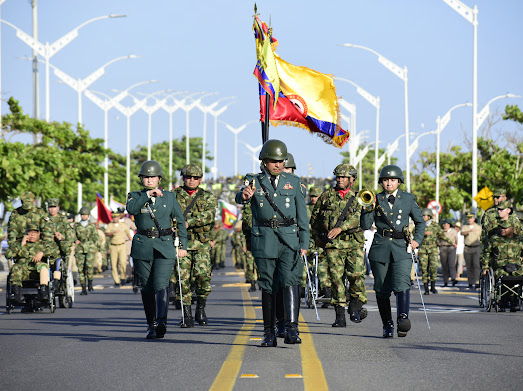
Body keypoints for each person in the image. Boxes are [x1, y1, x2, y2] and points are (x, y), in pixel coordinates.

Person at [236, 139, 309, 347]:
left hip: (289, 239)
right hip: (265, 238)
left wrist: (304, 242)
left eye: (281, 161)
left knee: (290, 280)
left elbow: (302, 216)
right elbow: (239, 197)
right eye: (273, 161)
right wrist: (244, 195)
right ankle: (268, 332)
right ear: (264, 161)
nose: (278, 164)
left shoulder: (293, 182)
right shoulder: (254, 181)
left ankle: (292, 328)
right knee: (268, 286)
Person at [361, 165, 425, 338]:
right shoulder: (375, 198)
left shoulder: (408, 198)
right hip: (380, 247)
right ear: (381, 182)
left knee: (402, 283)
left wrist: (416, 240)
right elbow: (366, 225)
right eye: (386, 180)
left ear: (399, 182)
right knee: (381, 288)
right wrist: (368, 207)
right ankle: (387, 324)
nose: (389, 183)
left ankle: (402, 319)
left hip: (401, 247)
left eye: (393, 180)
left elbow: (420, 222)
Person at [127, 160, 188, 339]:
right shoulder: (134, 196)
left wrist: (182, 245)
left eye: (152, 177)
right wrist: (147, 196)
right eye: (146, 177)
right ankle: (151, 324)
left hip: (164, 244)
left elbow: (180, 221)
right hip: (143, 245)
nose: (149, 180)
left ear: (159, 178)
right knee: (146, 287)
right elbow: (131, 209)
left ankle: (161, 321)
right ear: (142, 179)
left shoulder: (169, 197)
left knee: (161, 283)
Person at [310, 163, 367, 327]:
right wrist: (317, 239)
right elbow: (315, 220)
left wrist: (341, 228)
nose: (340, 180)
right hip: (333, 245)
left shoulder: (360, 197)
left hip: (354, 243)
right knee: (336, 280)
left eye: (344, 177)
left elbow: (359, 218)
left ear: (352, 179)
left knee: (356, 276)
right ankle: (340, 316)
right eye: (338, 177)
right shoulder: (326, 196)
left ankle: (355, 306)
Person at [173, 164, 218, 327]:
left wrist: (188, 222)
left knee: (202, 276)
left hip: (201, 243)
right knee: (182, 278)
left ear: (201, 179)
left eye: (196, 178)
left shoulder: (207, 196)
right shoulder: (173, 196)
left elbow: (210, 215)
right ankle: (186, 315)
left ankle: (200, 308)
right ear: (183, 178)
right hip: (181, 243)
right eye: (188, 177)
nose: (192, 180)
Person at [481, 201, 523, 311]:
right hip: (500, 266)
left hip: (516, 266)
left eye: (506, 228)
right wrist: (485, 267)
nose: (502, 230)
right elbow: (486, 252)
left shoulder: (519, 239)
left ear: (513, 228)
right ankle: (503, 300)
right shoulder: (494, 239)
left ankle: (515, 300)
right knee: (502, 277)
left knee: (517, 276)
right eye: (501, 228)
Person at [9, 224, 53, 310]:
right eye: (30, 232)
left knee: (43, 267)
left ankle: (44, 293)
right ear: (26, 233)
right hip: (23, 270)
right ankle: (16, 294)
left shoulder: (43, 244)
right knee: (16, 267)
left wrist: (42, 253)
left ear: (39, 233)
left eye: (34, 232)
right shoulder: (19, 243)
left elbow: (53, 251)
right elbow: (9, 254)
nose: (32, 234)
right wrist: (22, 244)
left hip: (36, 270)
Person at [417, 208, 453, 295]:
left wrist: (451, 242)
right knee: (424, 269)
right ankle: (426, 288)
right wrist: (424, 233)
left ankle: (433, 287)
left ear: (429, 216)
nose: (423, 217)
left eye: (424, 216)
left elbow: (441, 235)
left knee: (433, 268)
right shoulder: (420, 224)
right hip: (423, 250)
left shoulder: (435, 225)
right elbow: (415, 233)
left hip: (433, 250)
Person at [6, 191, 46, 260]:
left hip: (37, 245)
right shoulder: (16, 213)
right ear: (21, 202)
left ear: (34, 201)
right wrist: (13, 247)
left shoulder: (40, 212)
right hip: (20, 243)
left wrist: (44, 249)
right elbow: (12, 232)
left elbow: (46, 231)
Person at [42, 198, 74, 278]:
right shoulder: (44, 220)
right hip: (46, 250)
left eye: (54, 207)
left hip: (60, 251)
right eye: (50, 207)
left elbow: (70, 237)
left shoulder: (63, 220)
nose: (52, 209)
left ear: (58, 208)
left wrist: (61, 238)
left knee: (60, 269)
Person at [74, 207, 102, 295]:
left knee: (89, 267)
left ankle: (90, 283)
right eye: (82, 215)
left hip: (90, 248)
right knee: (81, 269)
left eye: (86, 215)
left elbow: (96, 237)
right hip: (80, 249)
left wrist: (100, 249)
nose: (84, 216)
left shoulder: (92, 226)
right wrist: (75, 240)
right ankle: (83, 288)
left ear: (88, 216)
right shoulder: (76, 226)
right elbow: (72, 235)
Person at [106, 208, 132, 287]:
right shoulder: (110, 225)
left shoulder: (123, 225)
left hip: (122, 245)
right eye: (113, 217)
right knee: (114, 264)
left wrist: (133, 242)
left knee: (123, 262)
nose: (115, 218)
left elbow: (128, 234)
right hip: (113, 246)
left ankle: (123, 279)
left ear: (118, 217)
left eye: (116, 217)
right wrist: (112, 233)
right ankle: (116, 281)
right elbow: (106, 233)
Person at [461, 213, 482, 289]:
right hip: (467, 248)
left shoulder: (478, 227)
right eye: (468, 218)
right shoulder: (465, 227)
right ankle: (470, 282)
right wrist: (469, 231)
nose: (469, 220)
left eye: (471, 218)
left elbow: (481, 237)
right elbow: (462, 233)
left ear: (474, 219)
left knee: (476, 265)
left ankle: (477, 281)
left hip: (476, 247)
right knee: (469, 266)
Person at [439, 219, 458, 287]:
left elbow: (456, 239)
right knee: (444, 265)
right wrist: (439, 243)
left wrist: (455, 245)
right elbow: (437, 239)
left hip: (451, 248)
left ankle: (453, 278)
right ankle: (445, 281)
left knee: (452, 264)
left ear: (449, 224)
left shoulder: (454, 231)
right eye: (444, 224)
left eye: (446, 224)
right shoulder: (441, 231)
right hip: (443, 248)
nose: (445, 225)